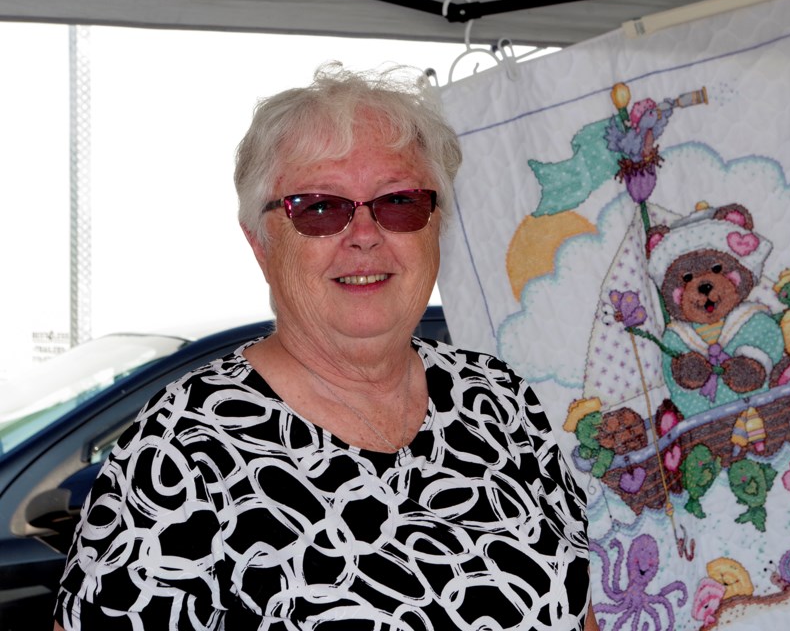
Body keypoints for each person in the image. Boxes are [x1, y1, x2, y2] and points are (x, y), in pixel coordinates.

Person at [54, 62, 598, 630]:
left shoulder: (498, 401)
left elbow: (577, 611)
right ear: (261, 243)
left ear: (436, 225)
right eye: (319, 208)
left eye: (398, 202)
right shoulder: (182, 452)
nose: (364, 234)